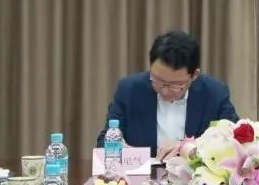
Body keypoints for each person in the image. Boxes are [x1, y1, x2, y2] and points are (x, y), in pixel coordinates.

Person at [97, 30, 239, 158]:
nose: (165, 90)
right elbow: (105, 140)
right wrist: (125, 151)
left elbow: (236, 141)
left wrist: (191, 148)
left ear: (194, 75)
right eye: (158, 80)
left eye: (176, 85)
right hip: (143, 176)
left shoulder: (214, 93)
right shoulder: (129, 89)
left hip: (193, 177)